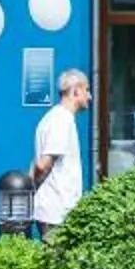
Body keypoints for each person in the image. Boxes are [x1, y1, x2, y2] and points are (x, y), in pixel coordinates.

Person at [30, 68, 91, 234]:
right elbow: (42, 165)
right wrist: (35, 186)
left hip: (55, 210)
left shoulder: (56, 117)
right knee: (57, 259)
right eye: (87, 90)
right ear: (75, 91)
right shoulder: (61, 120)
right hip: (56, 212)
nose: (89, 96)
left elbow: (36, 163)